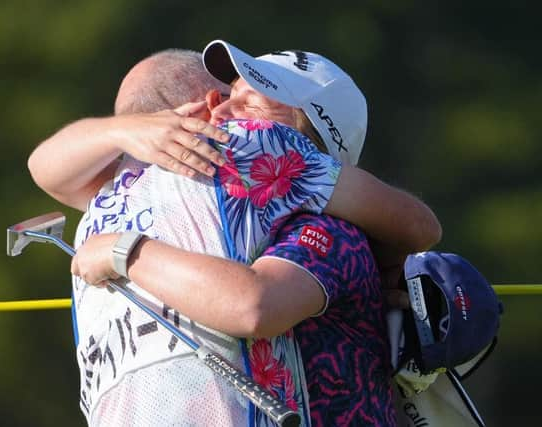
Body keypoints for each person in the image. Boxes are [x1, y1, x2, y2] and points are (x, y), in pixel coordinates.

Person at [29, 45, 440, 426]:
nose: (222, 108)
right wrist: (125, 131)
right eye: (230, 93)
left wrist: (123, 252)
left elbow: (253, 307)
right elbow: (47, 169)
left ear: (308, 133)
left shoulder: (277, 156)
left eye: (253, 100)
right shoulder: (175, 176)